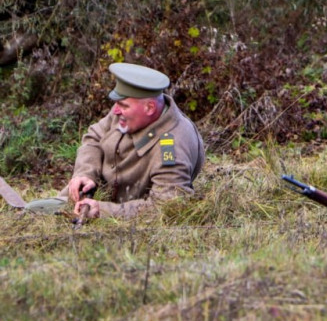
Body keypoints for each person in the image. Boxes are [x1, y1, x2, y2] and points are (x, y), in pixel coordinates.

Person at [25, 62, 205, 219]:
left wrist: (103, 211)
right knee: (31, 211)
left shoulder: (172, 147)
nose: (116, 111)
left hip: (126, 212)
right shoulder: (127, 111)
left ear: (150, 108)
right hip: (93, 195)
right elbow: (94, 137)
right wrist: (85, 173)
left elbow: (166, 206)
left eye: (123, 105)